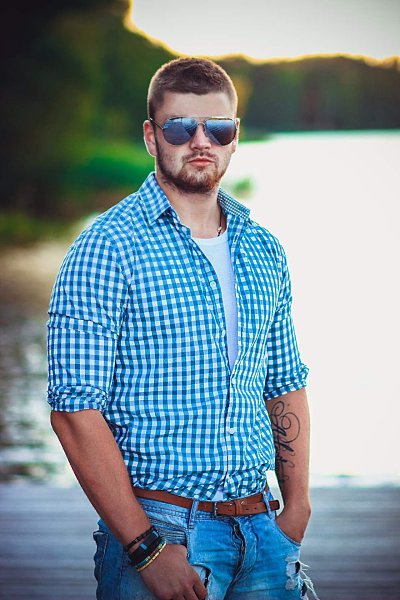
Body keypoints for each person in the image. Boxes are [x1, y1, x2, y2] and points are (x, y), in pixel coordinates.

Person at [47, 57, 318, 600]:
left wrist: (298, 508)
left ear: (235, 137)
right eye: (179, 127)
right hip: (163, 531)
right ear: (152, 137)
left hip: (264, 529)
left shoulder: (263, 247)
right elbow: (74, 412)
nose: (200, 141)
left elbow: (284, 382)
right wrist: (146, 548)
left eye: (218, 129)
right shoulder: (107, 247)